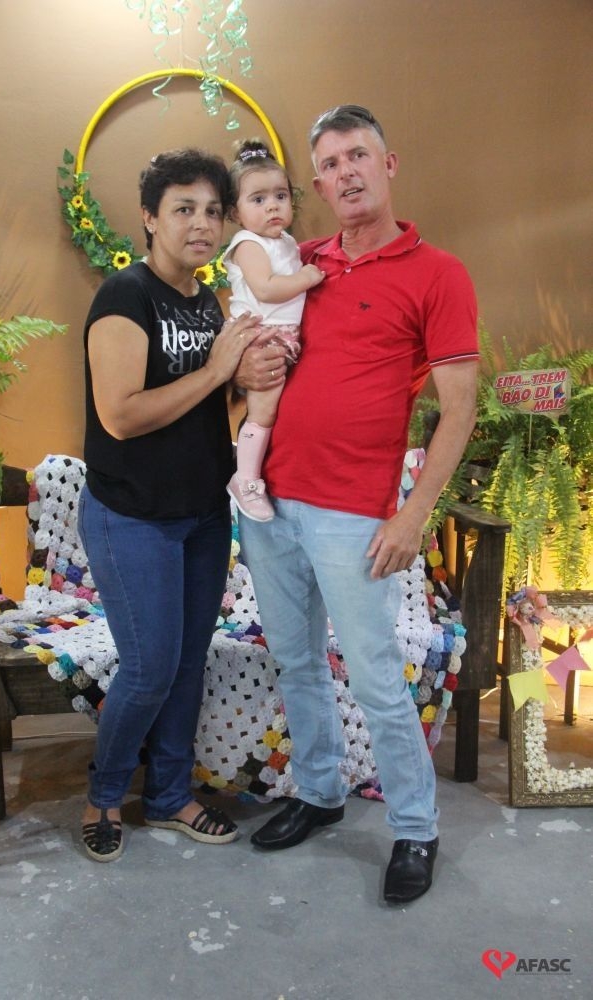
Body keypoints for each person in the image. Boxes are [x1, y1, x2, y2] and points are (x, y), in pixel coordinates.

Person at [235, 105, 479, 904]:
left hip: (353, 513)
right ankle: (318, 792)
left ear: (388, 163)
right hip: (271, 503)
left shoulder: (438, 273)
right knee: (297, 661)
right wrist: (243, 374)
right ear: (317, 185)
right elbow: (249, 341)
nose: (346, 173)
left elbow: (460, 407)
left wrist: (414, 515)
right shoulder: (299, 263)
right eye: (331, 164)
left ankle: (415, 827)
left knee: (374, 675)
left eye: (358, 156)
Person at [78, 148, 260, 862]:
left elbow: (210, 406)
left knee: (187, 664)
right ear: (150, 218)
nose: (202, 224)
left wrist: (246, 379)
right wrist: (217, 370)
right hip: (132, 516)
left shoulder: (206, 302)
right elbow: (121, 415)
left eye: (213, 211)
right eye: (184, 209)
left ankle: (169, 798)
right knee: (151, 667)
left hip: (203, 515)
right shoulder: (124, 296)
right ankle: (103, 795)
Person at [223, 139, 324, 522]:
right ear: (235, 211)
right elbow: (265, 288)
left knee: (279, 411)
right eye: (259, 199)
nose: (272, 206)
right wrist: (306, 278)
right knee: (263, 412)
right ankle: (245, 479)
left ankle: (260, 472)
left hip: (282, 336)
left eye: (280, 196)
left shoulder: (286, 242)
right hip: (261, 336)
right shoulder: (247, 243)